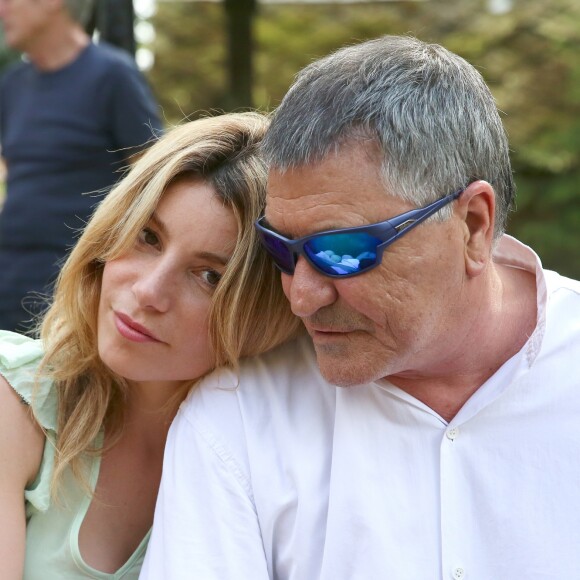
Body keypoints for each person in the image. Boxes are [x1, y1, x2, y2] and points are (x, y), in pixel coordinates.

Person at [141, 35, 580, 579]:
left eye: (342, 252)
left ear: (472, 225)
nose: (301, 297)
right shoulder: (239, 419)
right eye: (280, 249)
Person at [0, 112, 300, 579]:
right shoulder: (15, 400)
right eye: (147, 237)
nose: (148, 292)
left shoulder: (272, 455)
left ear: (260, 314)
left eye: (209, 276)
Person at [0, 0, 163, 333]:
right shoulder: (13, 83)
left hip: (71, 288)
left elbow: (156, 179)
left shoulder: (113, 75)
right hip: (9, 275)